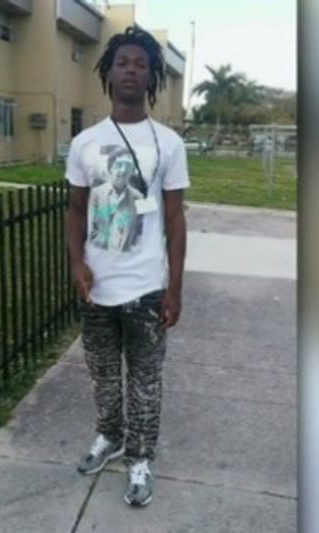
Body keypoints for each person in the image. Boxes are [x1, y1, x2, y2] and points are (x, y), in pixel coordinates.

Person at [65, 26, 189, 508]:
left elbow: (175, 220)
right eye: (123, 63)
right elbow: (76, 209)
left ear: (152, 75)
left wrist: (174, 288)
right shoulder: (85, 142)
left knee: (145, 382)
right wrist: (77, 262)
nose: (132, 70)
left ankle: (139, 458)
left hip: (147, 287)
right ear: (110, 73)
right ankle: (109, 437)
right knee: (102, 376)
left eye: (141, 63)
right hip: (97, 287)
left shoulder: (168, 143)